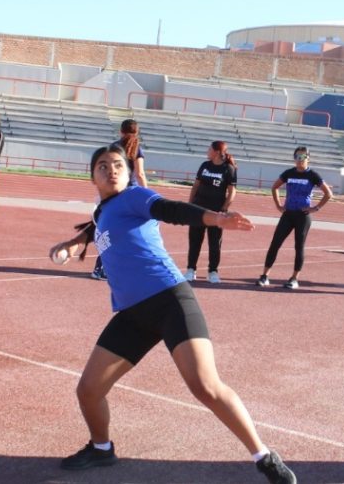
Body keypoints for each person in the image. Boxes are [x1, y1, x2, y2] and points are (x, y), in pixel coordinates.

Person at [49, 144, 296, 483]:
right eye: (103, 166)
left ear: (129, 171)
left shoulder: (135, 197)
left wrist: (216, 218)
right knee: (89, 389)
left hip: (170, 301)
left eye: (118, 164)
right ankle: (102, 448)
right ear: (92, 176)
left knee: (205, 386)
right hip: (133, 313)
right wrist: (73, 244)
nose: (111, 170)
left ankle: (264, 456)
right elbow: (95, 228)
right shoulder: (103, 211)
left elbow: (171, 209)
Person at [256, 146, 332, 290]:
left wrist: (315, 208)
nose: (300, 160)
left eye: (303, 157)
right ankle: (265, 276)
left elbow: (328, 193)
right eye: (297, 157)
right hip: (288, 214)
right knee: (275, 243)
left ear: (308, 158)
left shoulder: (313, 175)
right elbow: (274, 187)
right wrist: (278, 205)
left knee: (299, 247)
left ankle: (294, 278)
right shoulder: (289, 173)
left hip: (303, 216)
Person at [91, 119, 146, 280]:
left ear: (121, 132)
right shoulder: (137, 150)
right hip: (130, 195)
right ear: (136, 133)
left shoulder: (113, 148)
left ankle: (102, 267)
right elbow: (140, 173)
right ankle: (106, 268)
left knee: (109, 231)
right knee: (130, 231)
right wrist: (147, 194)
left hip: (112, 193)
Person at [185, 141, 238, 284]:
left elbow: (232, 192)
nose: (207, 151)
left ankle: (213, 271)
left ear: (217, 152)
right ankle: (191, 269)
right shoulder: (205, 166)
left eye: (209, 149)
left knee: (215, 243)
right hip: (198, 209)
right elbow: (195, 186)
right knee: (195, 240)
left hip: (216, 212)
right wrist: (190, 204)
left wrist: (224, 208)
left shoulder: (229, 169)